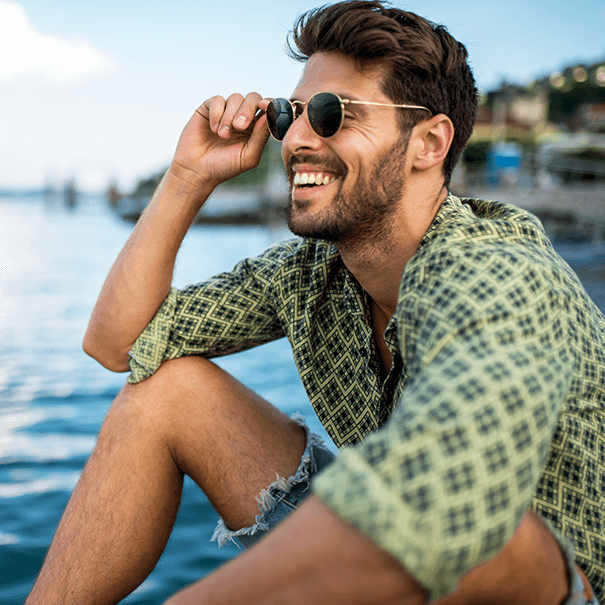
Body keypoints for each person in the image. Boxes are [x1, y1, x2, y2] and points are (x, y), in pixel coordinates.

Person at [26, 2, 604, 604]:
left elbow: (446, 504)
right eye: (288, 114)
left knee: (501, 539)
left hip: (546, 584)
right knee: (166, 393)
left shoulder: (495, 272)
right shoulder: (311, 272)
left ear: (429, 142)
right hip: (399, 547)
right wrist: (187, 176)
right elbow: (117, 344)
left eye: (331, 115)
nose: (296, 139)